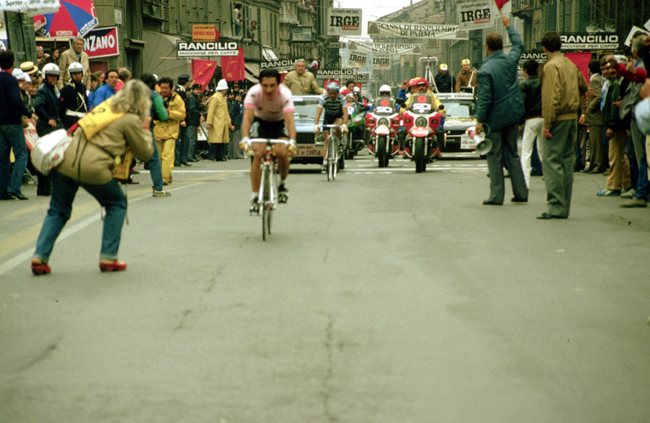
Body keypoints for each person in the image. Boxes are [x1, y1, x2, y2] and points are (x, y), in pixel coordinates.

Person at [30, 80, 154, 275]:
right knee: (116, 204)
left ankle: (40, 256)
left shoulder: (105, 108)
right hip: (94, 168)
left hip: (65, 160)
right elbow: (146, 153)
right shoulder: (130, 119)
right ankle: (108, 256)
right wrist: (145, 128)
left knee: (58, 210)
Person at [475, 15, 527, 206]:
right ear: (500, 46)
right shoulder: (510, 60)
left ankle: (496, 196)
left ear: (487, 47)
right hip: (513, 115)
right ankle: (521, 192)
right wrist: (509, 26)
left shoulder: (485, 70)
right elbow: (519, 45)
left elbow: (485, 98)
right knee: (512, 153)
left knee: (494, 156)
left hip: (495, 119)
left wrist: (479, 121)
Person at [537, 31, 587, 219]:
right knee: (566, 161)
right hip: (572, 117)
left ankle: (556, 206)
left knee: (551, 161)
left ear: (544, 47)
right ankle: (564, 206)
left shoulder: (551, 66)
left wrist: (548, 123)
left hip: (557, 118)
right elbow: (583, 85)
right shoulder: (569, 64)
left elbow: (551, 96)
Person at [240, 68, 297, 212]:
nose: (268, 89)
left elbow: (290, 121)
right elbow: (247, 118)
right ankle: (254, 196)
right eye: (265, 85)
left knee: (281, 152)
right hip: (261, 124)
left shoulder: (285, 94)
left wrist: (292, 141)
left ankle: (282, 184)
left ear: (278, 85)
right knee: (257, 154)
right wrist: (245, 138)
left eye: (272, 85)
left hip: (279, 124)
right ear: (260, 84)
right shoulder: (253, 93)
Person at [0, 50, 33, 201]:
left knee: (3, 157)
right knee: (21, 154)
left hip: (0, 123)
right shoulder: (11, 80)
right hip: (12, 121)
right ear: (13, 63)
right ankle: (14, 187)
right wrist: (28, 113)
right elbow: (16, 100)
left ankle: (2, 190)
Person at [597, 56, 632, 197]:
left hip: (616, 125)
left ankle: (614, 186)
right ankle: (626, 184)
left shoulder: (616, 84)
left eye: (611, 67)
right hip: (617, 124)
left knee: (615, 156)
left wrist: (611, 126)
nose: (609, 71)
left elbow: (614, 108)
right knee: (621, 155)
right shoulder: (612, 83)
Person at [34, 63, 63, 197]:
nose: (53, 79)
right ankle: (44, 188)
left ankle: (46, 187)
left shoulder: (52, 89)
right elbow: (38, 106)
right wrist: (47, 119)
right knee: (46, 156)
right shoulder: (43, 89)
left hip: (52, 125)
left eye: (55, 76)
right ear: (46, 76)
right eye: (50, 76)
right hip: (46, 126)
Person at [140, 73, 170, 197]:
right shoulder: (155, 97)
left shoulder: (132, 95)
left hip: (128, 128)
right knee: (154, 160)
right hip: (146, 129)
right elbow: (163, 116)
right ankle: (158, 188)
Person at [154, 77, 186, 185]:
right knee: (158, 156)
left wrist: (170, 112)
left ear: (171, 88)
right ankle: (164, 175)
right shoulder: (155, 97)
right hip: (157, 130)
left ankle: (164, 178)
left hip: (171, 131)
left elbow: (182, 114)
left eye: (166, 88)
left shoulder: (177, 98)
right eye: (162, 87)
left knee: (167, 155)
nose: (163, 90)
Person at [519, 59, 543, 188]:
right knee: (543, 150)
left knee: (526, 151)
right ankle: (551, 180)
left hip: (530, 119)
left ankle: (525, 183)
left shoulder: (524, 84)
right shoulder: (544, 82)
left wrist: (518, 122)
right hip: (544, 118)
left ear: (525, 71)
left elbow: (521, 104)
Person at [314, 82, 349, 169]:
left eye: (334, 93)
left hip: (338, 117)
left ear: (337, 93)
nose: (332, 95)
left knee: (337, 126)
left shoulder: (342, 98)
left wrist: (344, 125)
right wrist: (316, 125)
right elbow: (318, 112)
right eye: (330, 93)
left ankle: (340, 142)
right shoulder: (323, 98)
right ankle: (325, 161)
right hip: (328, 117)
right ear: (327, 92)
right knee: (326, 140)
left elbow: (345, 112)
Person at [580, 60, 606, 174]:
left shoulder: (595, 80)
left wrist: (589, 108)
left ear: (589, 69)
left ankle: (597, 165)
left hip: (596, 117)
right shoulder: (598, 79)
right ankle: (593, 164)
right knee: (593, 141)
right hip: (596, 117)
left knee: (595, 142)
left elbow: (598, 97)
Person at [205, 79, 233, 161]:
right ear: (224, 89)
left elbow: (226, 111)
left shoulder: (222, 98)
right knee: (215, 140)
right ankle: (211, 155)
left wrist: (229, 121)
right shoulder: (215, 97)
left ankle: (220, 156)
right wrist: (209, 122)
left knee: (221, 140)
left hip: (222, 121)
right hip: (217, 121)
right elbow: (211, 111)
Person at [58, 62, 88, 130]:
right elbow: (61, 107)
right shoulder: (66, 89)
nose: (77, 75)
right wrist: (63, 121)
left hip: (82, 119)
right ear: (71, 75)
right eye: (74, 74)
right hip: (70, 120)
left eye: (79, 73)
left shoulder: (83, 87)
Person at [173, 74, 191, 166]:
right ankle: (176, 160)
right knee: (177, 141)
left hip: (185, 120)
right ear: (186, 83)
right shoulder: (178, 91)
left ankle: (183, 159)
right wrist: (181, 120)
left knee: (185, 140)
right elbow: (177, 107)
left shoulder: (182, 91)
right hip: (179, 120)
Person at [186, 83, 203, 162]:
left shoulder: (195, 97)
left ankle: (192, 154)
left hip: (194, 121)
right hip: (191, 120)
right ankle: (189, 155)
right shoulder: (192, 98)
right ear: (192, 90)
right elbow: (192, 109)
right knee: (192, 140)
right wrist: (199, 114)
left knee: (194, 139)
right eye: (197, 89)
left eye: (199, 89)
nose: (198, 91)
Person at [228, 90, 243, 159]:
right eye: (238, 96)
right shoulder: (234, 104)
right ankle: (237, 154)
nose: (239, 97)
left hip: (234, 123)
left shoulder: (235, 103)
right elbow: (232, 114)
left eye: (240, 96)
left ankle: (231, 155)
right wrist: (232, 124)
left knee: (232, 140)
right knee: (236, 140)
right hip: (235, 124)